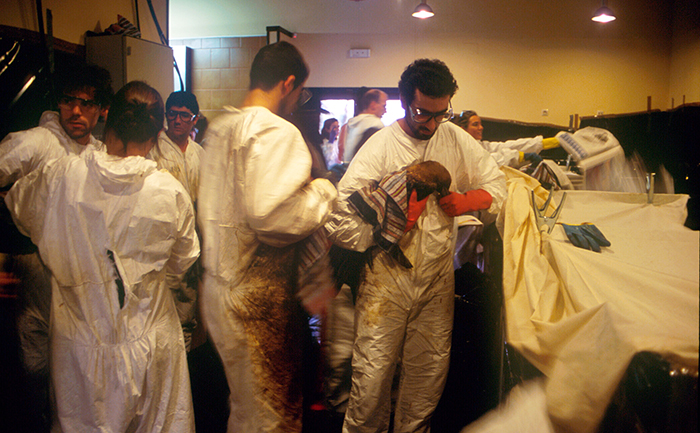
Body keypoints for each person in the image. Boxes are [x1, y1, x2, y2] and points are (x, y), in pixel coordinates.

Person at [5, 80, 200, 432]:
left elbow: (20, 212)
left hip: (79, 346)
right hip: (151, 340)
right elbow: (183, 261)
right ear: (157, 136)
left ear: (106, 122)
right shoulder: (170, 192)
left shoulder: (60, 176)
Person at [326, 58, 506, 433]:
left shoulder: (453, 139)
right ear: (406, 102)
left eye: (443, 113)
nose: (433, 123)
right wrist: (384, 229)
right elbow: (337, 217)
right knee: (371, 381)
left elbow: (497, 183)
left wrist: (468, 200)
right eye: (425, 113)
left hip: (437, 281)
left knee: (427, 379)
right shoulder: (380, 147)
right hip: (386, 280)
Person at [198, 41, 337, 433]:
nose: (297, 100)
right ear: (288, 83)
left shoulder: (219, 127)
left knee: (243, 407)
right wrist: (323, 193)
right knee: (272, 415)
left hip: (218, 292)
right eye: (299, 92)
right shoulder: (276, 130)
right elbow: (271, 217)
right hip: (254, 298)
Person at [0, 62, 113, 430]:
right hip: (35, 269)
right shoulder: (37, 141)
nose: (76, 111)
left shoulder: (100, 153)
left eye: (86, 103)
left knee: (77, 370)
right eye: (69, 101)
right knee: (35, 368)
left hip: (83, 276)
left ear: (101, 110)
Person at [146, 90, 205, 352]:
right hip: (160, 240)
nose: (177, 120)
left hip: (192, 239)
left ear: (195, 119)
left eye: (184, 115)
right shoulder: (153, 149)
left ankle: (187, 359)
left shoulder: (200, 154)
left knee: (187, 301)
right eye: (172, 114)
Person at [455, 110, 559, 168]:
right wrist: (520, 156)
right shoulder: (462, 150)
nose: (481, 127)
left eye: (480, 124)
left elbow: (502, 146)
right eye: (475, 124)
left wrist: (541, 143)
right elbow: (489, 159)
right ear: (463, 129)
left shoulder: (479, 145)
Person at [338, 89, 388, 163]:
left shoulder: (350, 123)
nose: (385, 110)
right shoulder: (376, 124)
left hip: (347, 169)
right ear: (373, 105)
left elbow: (341, 149)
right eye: (383, 106)